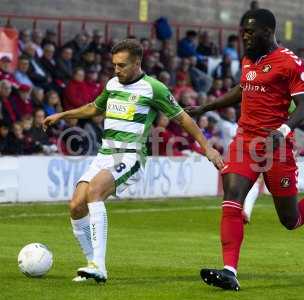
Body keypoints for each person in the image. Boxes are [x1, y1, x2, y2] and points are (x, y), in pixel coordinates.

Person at [186, 9, 304, 291]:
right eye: (243, 31)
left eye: (250, 32)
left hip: (277, 146)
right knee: (232, 196)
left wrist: (282, 130)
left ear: (268, 32)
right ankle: (230, 270)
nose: (244, 36)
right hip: (245, 142)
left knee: (291, 220)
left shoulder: (290, 63)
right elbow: (242, 90)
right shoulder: (248, 59)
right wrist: (206, 106)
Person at [42, 39, 223, 283]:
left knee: (94, 192)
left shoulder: (153, 88)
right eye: (114, 65)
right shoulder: (112, 83)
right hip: (105, 153)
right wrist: (63, 114)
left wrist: (208, 147)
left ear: (137, 63)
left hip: (129, 155)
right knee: (76, 205)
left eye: (122, 65)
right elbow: (94, 108)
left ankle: (99, 266)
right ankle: (90, 264)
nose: (117, 69)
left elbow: (183, 119)